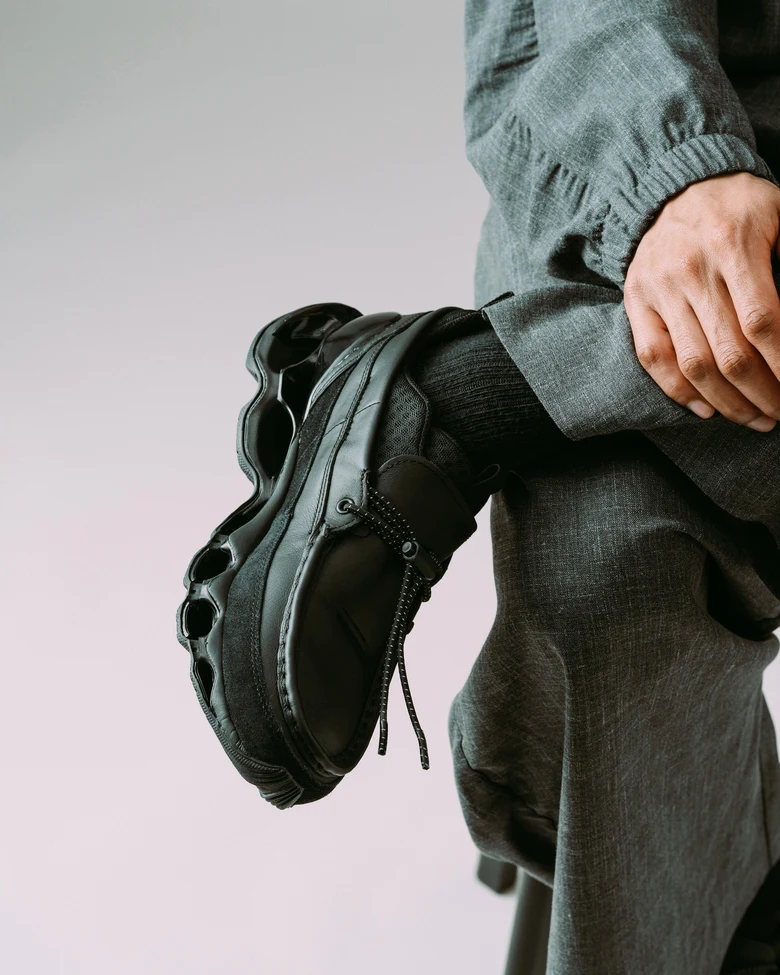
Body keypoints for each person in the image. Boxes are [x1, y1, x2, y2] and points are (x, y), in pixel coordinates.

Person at [176, 1, 780, 971]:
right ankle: (468, 402)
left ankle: (479, 394)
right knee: (611, 573)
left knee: (617, 560)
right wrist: (676, 161)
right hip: (658, 117)